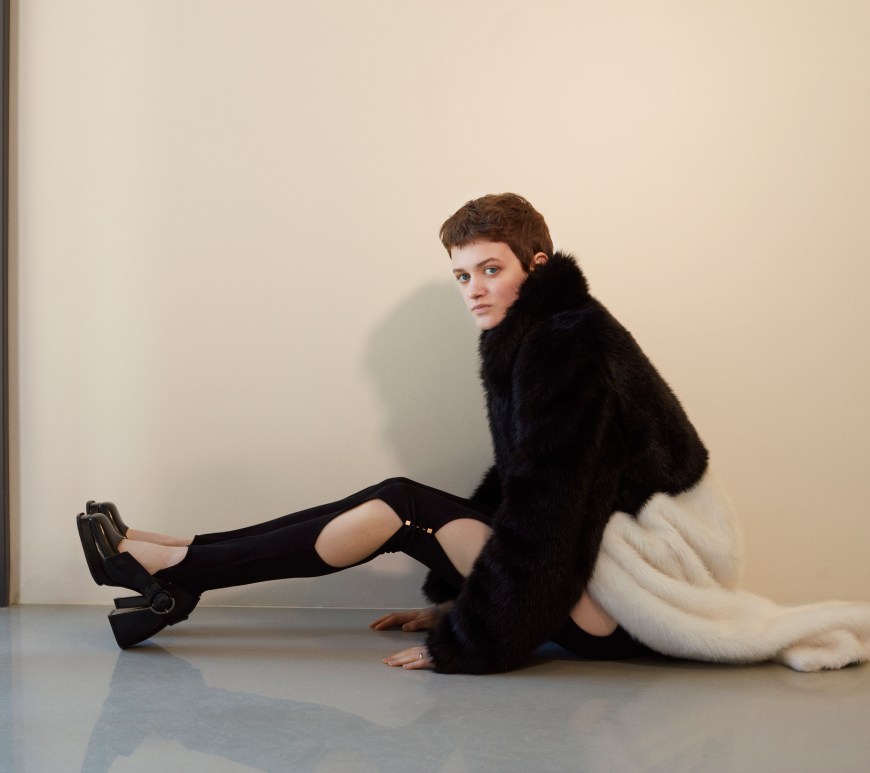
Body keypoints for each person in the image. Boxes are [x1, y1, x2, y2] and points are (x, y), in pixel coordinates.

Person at [78, 193, 870, 674]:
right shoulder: (536, 334)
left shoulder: (566, 341)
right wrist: (462, 596)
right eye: (462, 274)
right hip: (598, 571)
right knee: (405, 507)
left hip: (632, 599)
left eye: (491, 268)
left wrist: (472, 636)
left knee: (403, 505)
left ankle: (178, 570)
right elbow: (526, 485)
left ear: (536, 262)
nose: (475, 289)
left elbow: (551, 509)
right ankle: (176, 556)